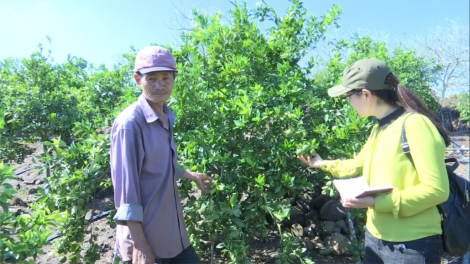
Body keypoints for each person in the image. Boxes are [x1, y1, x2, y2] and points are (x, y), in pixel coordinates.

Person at [298, 58, 450, 264]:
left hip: (412, 245)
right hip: (375, 238)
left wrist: (377, 203)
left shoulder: (415, 124)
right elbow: (356, 164)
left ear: (366, 94)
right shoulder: (378, 129)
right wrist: (320, 163)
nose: (349, 102)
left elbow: (436, 190)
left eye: (349, 95)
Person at [110, 46, 214, 264]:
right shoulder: (130, 124)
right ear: (137, 80)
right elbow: (125, 193)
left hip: (172, 236)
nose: (160, 85)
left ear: (174, 79)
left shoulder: (165, 115)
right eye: (152, 79)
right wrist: (140, 245)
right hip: (146, 241)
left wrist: (190, 175)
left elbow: (158, 165)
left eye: (166, 78)